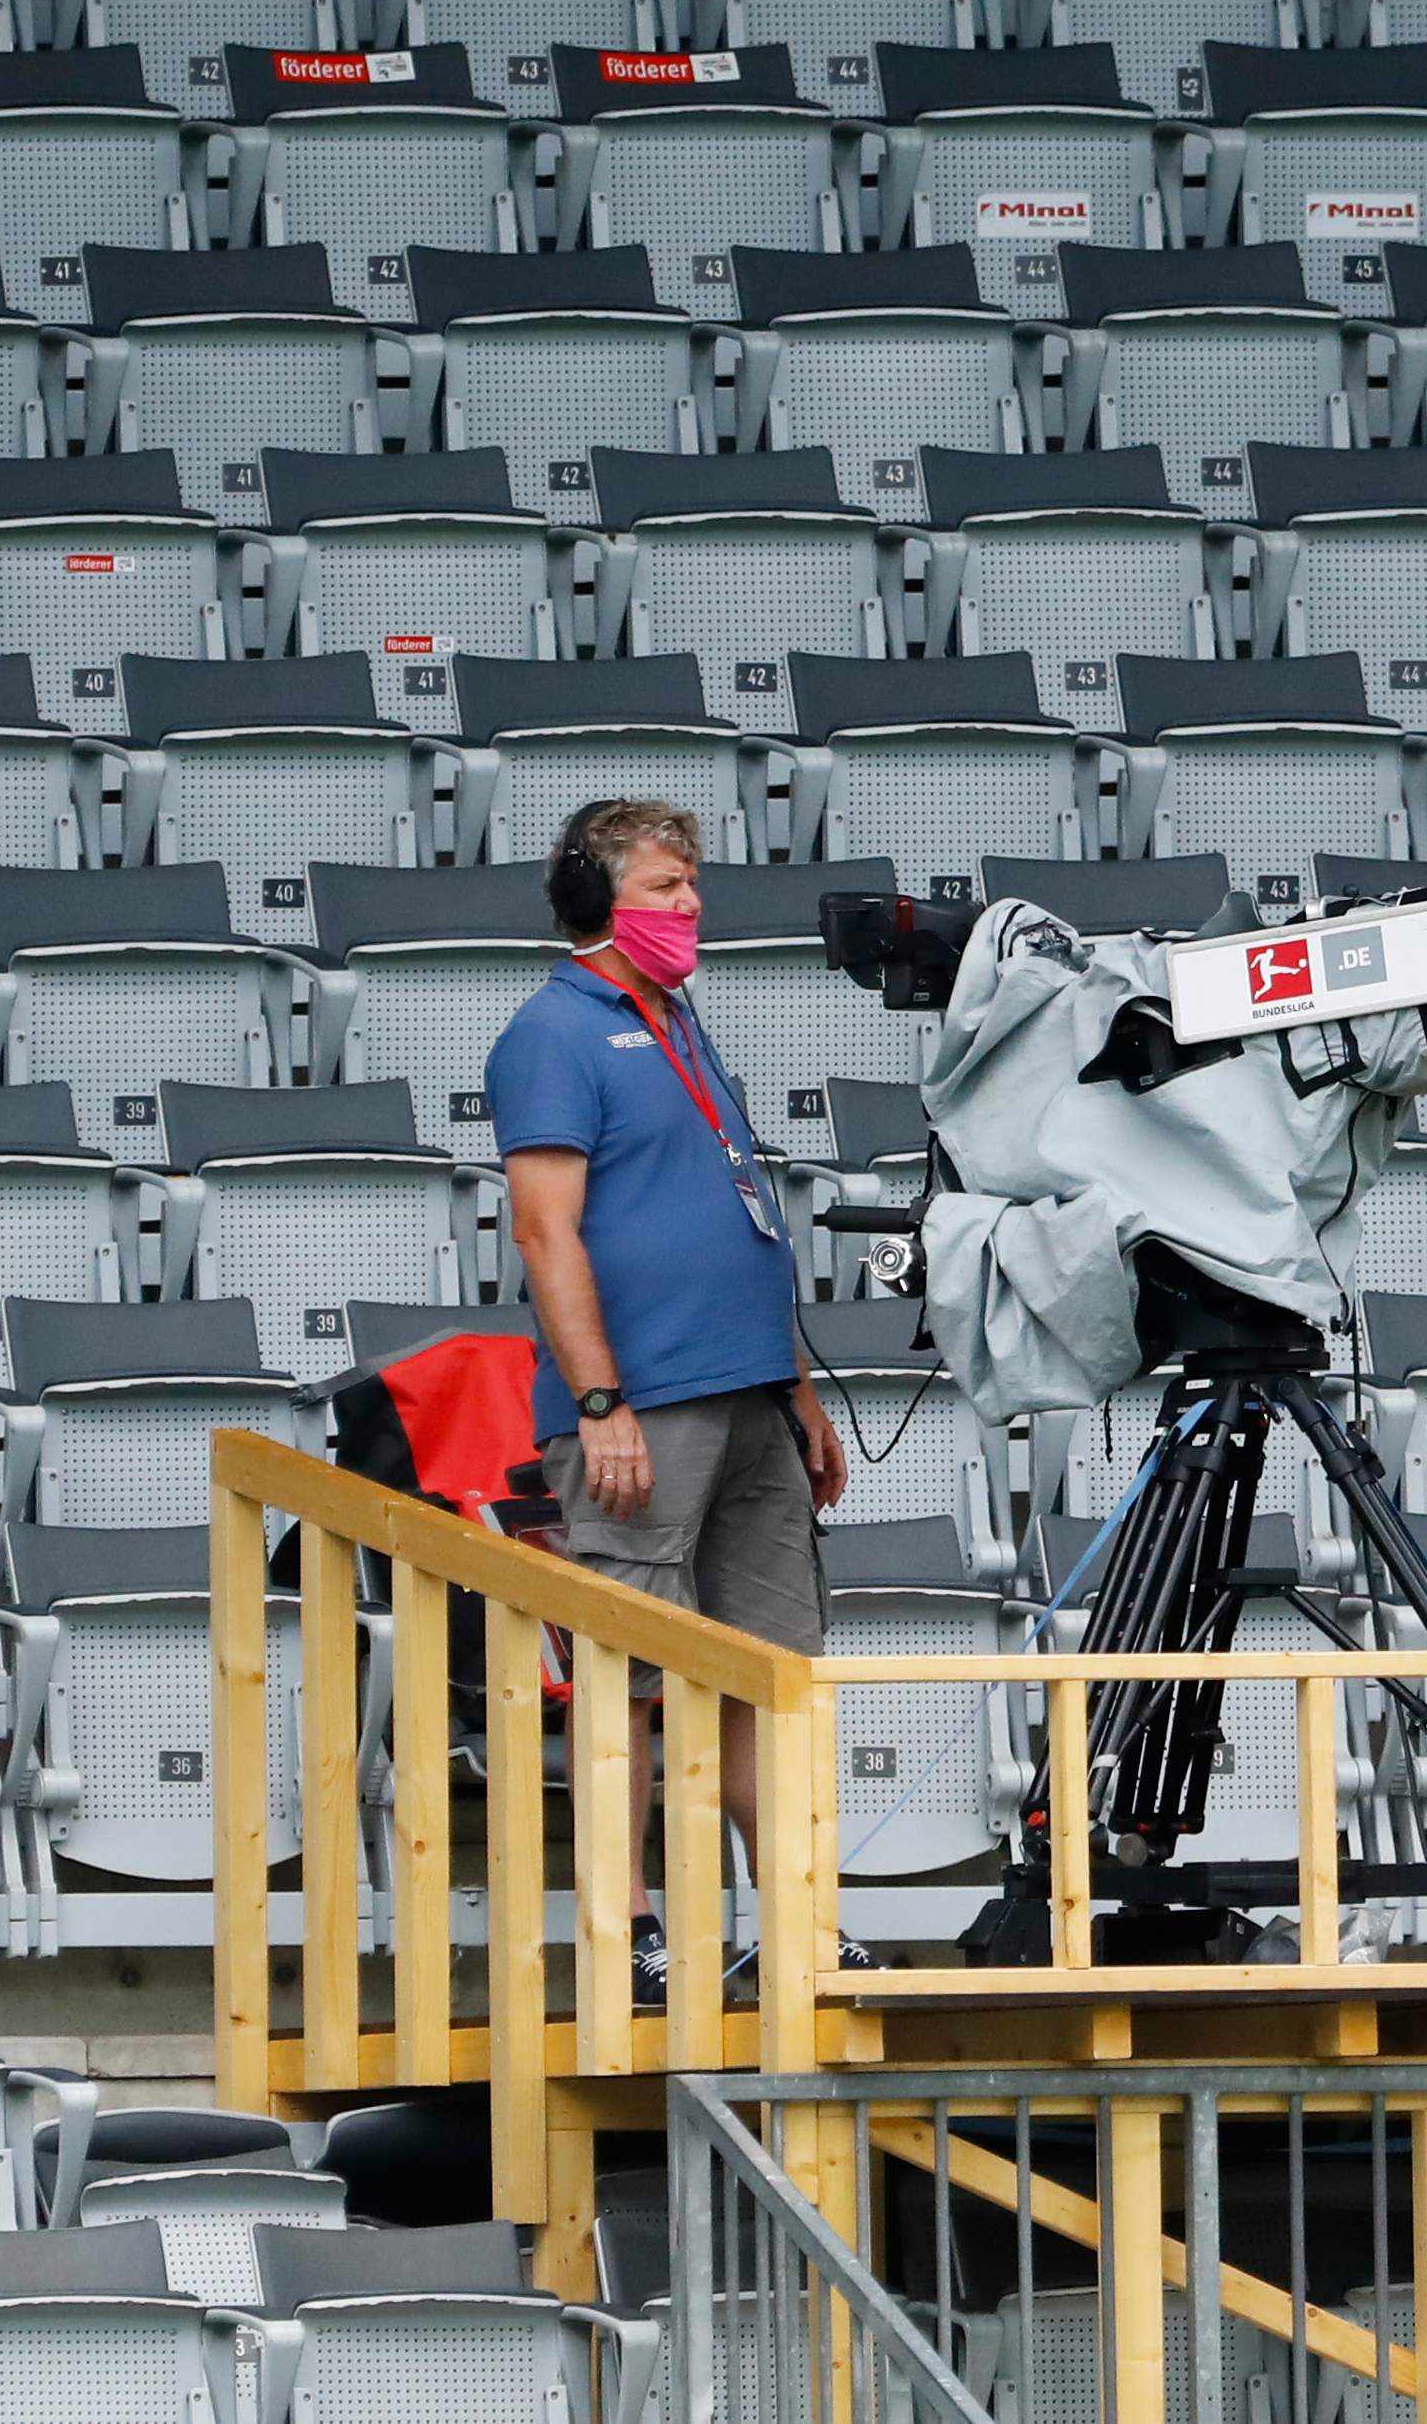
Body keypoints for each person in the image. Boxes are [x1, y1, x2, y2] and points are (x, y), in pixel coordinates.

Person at [484, 797, 868, 2000]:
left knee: (773, 1672)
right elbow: (547, 1234)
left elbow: (737, 1215)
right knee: (627, 1679)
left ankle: (796, 1924)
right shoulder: (553, 1032)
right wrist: (601, 1403)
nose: (689, 905)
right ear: (596, 903)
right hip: (641, 1405)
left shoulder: (682, 1022)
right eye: (662, 887)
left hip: (750, 1391)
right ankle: (631, 1931)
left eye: (692, 882)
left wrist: (796, 1388)